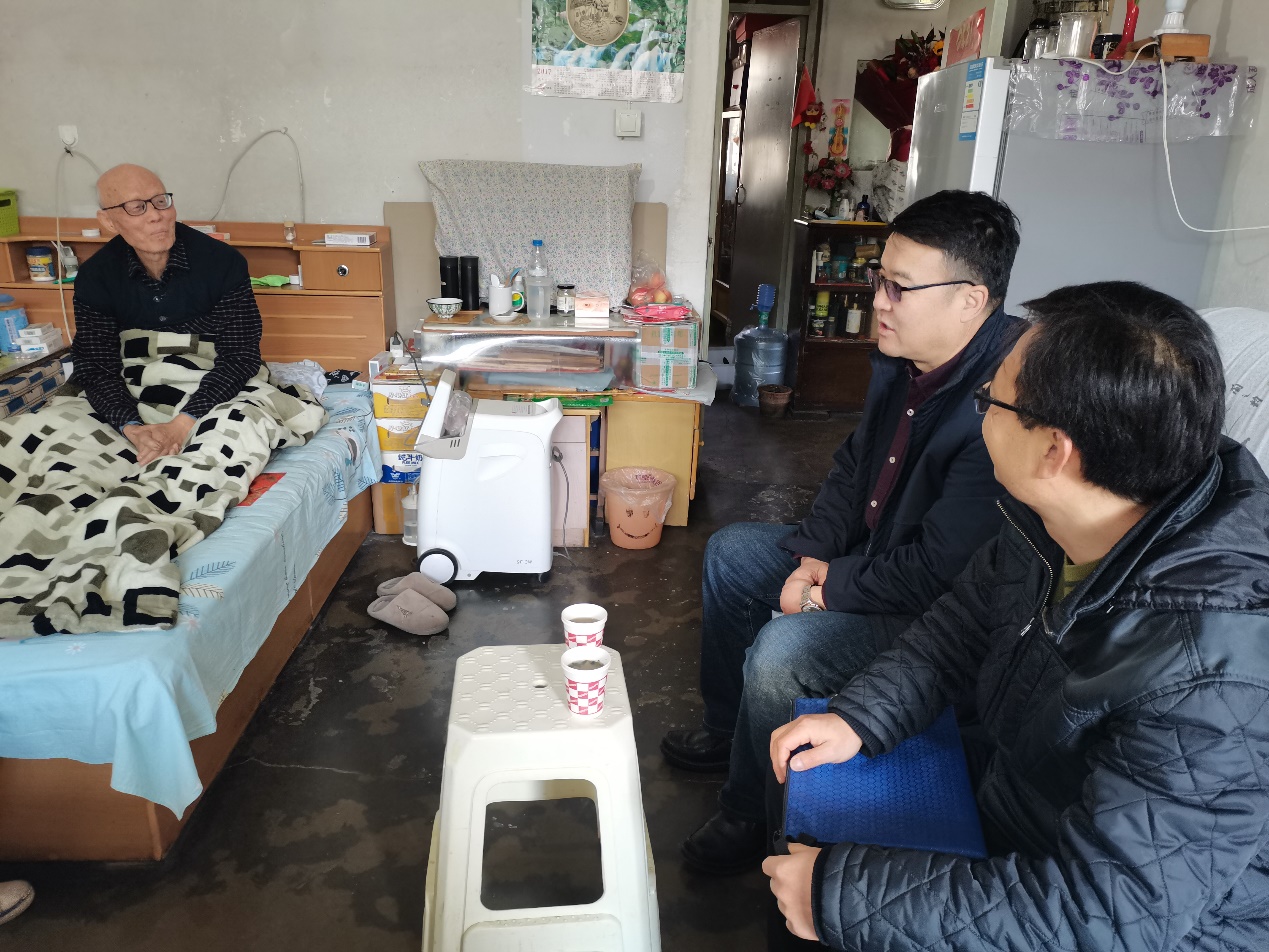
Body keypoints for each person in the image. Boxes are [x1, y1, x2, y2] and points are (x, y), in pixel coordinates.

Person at [763, 282, 1269, 951]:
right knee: (805, 808)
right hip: (1019, 805)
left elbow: (1107, 916)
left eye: (990, 400)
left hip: (1148, 924)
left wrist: (840, 895)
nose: (980, 412)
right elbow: (964, 623)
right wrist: (861, 717)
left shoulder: (1209, 677)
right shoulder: (1055, 518)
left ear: (1054, 450)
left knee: (816, 901)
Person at [663, 190, 1024, 874]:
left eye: (899, 288)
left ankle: (751, 809)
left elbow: (940, 570)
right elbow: (855, 466)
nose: (878, 301)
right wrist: (812, 555)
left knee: (783, 652)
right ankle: (729, 733)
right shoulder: (904, 358)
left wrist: (826, 590)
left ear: (971, 300)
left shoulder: (1000, 403)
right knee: (731, 555)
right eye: (877, 279)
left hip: (940, 610)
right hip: (873, 559)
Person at [72, 163, 264, 466]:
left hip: (214, 388)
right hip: (132, 389)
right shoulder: (95, 277)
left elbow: (240, 357)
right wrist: (132, 428)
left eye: (161, 201)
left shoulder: (222, 263)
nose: (156, 215)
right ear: (108, 220)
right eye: (137, 207)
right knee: (62, 441)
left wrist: (183, 424)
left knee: (236, 437)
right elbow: (96, 367)